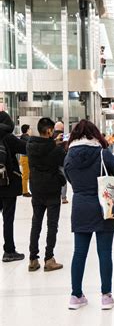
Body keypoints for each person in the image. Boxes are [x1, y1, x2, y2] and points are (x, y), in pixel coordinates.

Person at [64, 120, 114, 310]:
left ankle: (76, 296)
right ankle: (106, 297)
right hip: (104, 207)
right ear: (95, 134)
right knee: (105, 252)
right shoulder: (102, 153)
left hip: (80, 207)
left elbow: (69, 179)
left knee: (79, 253)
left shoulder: (68, 156)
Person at [27, 117, 66, 272]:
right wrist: (59, 146)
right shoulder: (55, 149)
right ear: (49, 131)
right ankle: (49, 259)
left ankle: (32, 259)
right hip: (51, 190)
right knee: (52, 225)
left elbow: (42, 151)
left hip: (36, 189)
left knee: (36, 224)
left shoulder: (30, 146)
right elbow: (63, 162)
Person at [0, 111, 27, 262]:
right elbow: (27, 148)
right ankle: (9, 251)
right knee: (8, 219)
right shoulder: (8, 138)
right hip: (8, 184)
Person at [53, 121, 69, 204]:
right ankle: (63, 197)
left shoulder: (50, 137)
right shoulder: (65, 137)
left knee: (54, 179)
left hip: (53, 162)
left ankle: (56, 196)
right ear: (62, 128)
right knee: (63, 180)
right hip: (62, 161)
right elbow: (67, 148)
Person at [19, 124, 32, 197]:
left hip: (25, 158)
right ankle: (24, 191)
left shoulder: (24, 137)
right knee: (25, 175)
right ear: (27, 130)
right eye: (30, 129)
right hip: (25, 158)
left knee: (26, 175)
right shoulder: (26, 137)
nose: (31, 130)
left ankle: (25, 190)